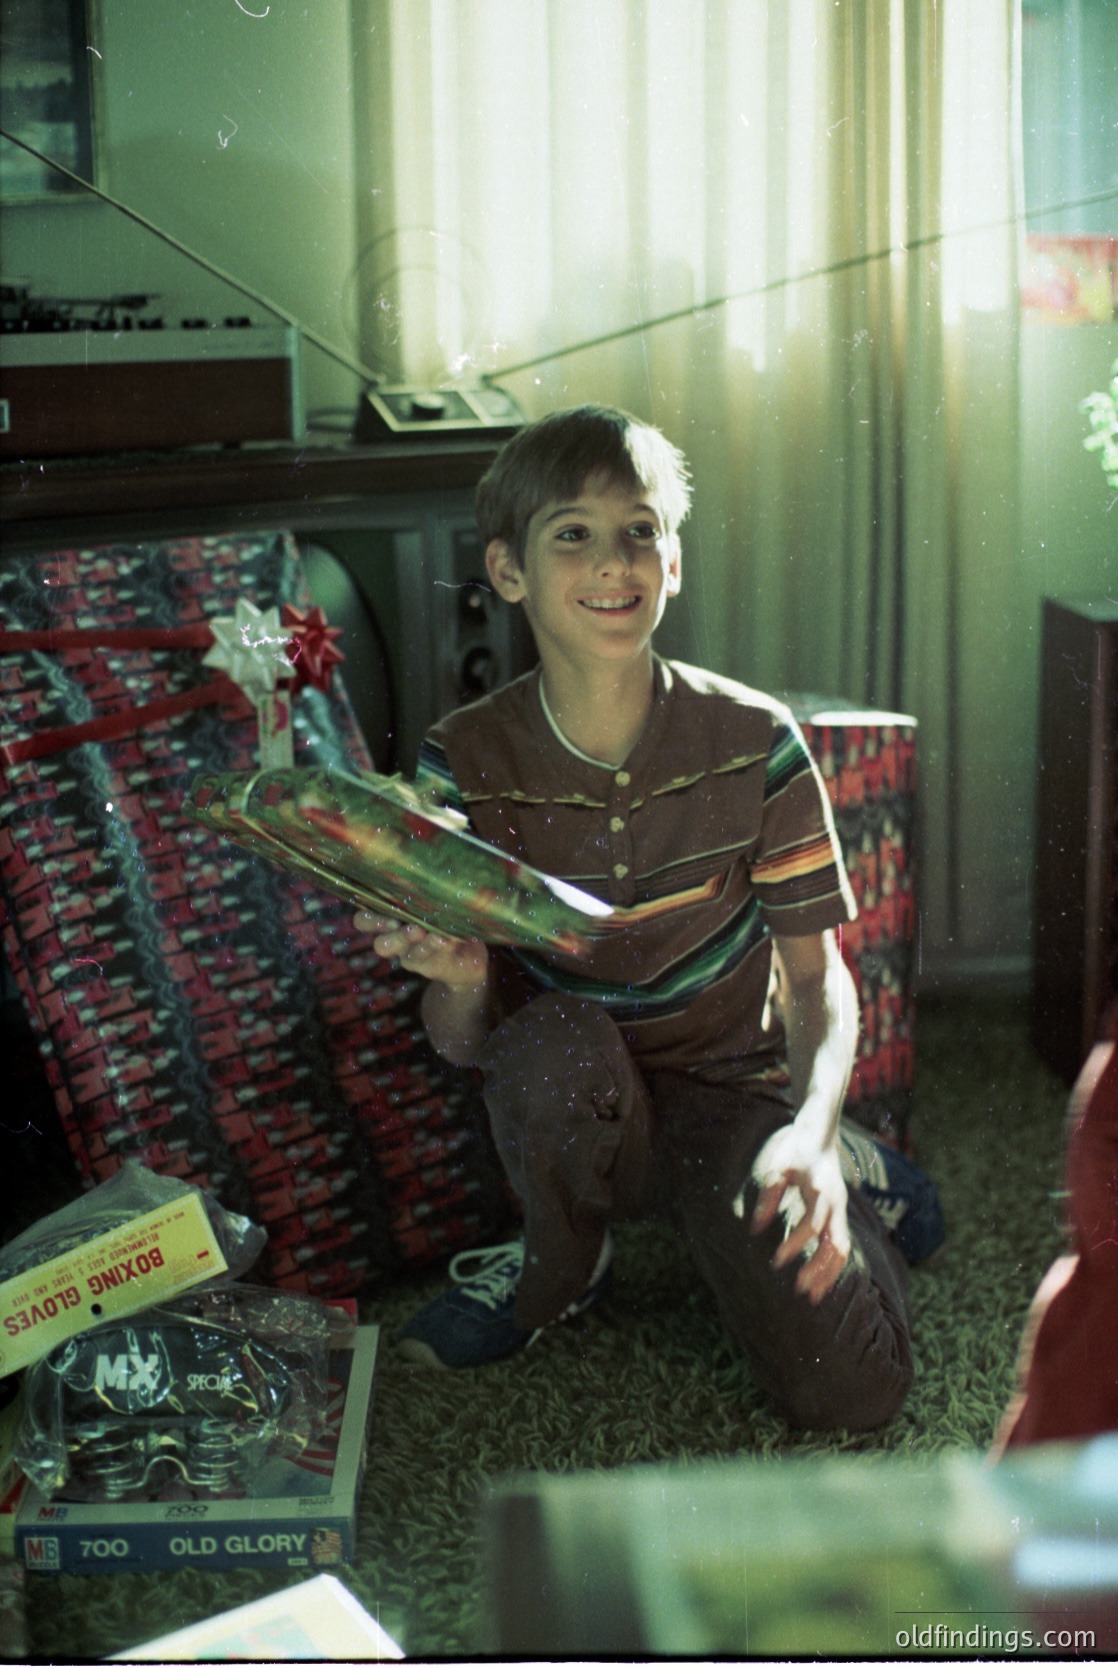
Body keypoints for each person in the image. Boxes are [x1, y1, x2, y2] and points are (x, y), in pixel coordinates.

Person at [358, 404, 914, 1431]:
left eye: (639, 530)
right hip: (571, 1095)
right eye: (571, 531)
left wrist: (809, 1130)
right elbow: (467, 1043)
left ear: (674, 561)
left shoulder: (757, 740)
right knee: (552, 1046)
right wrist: (461, 978)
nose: (613, 561)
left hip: (731, 1099)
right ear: (508, 569)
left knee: (852, 1392)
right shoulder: (460, 762)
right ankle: (560, 1266)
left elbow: (814, 978)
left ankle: (856, 1167)